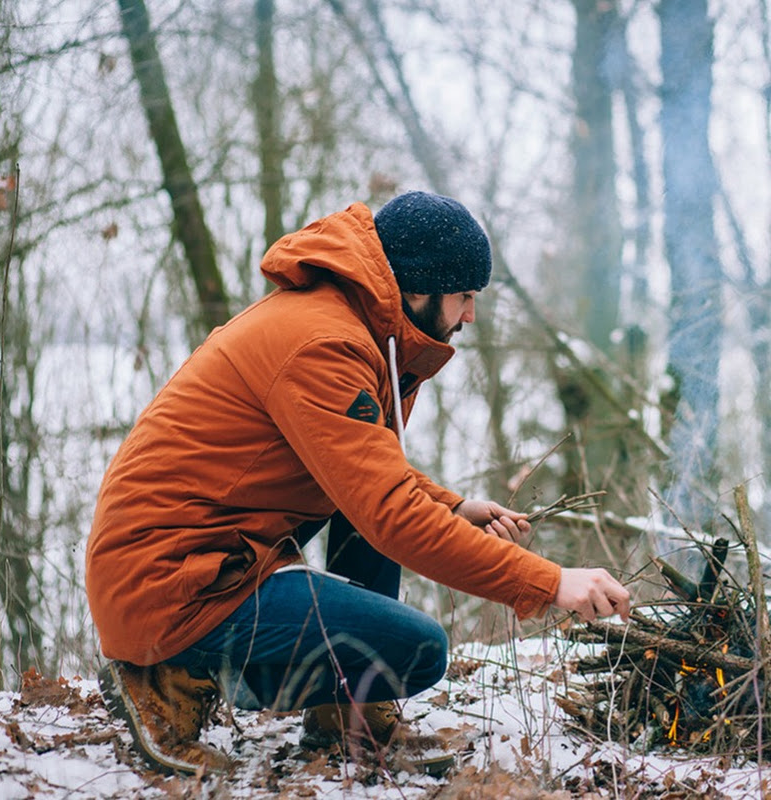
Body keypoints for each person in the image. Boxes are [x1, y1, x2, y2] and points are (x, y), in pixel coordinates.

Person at [86, 191, 630, 775]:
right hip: (171, 584)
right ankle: (165, 677)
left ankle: (347, 717)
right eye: (465, 296)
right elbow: (390, 511)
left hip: (210, 558)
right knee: (418, 649)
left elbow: (364, 466)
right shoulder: (324, 344)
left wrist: (452, 504)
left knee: (365, 513)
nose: (470, 315)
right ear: (419, 288)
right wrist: (549, 584)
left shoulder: (353, 326)